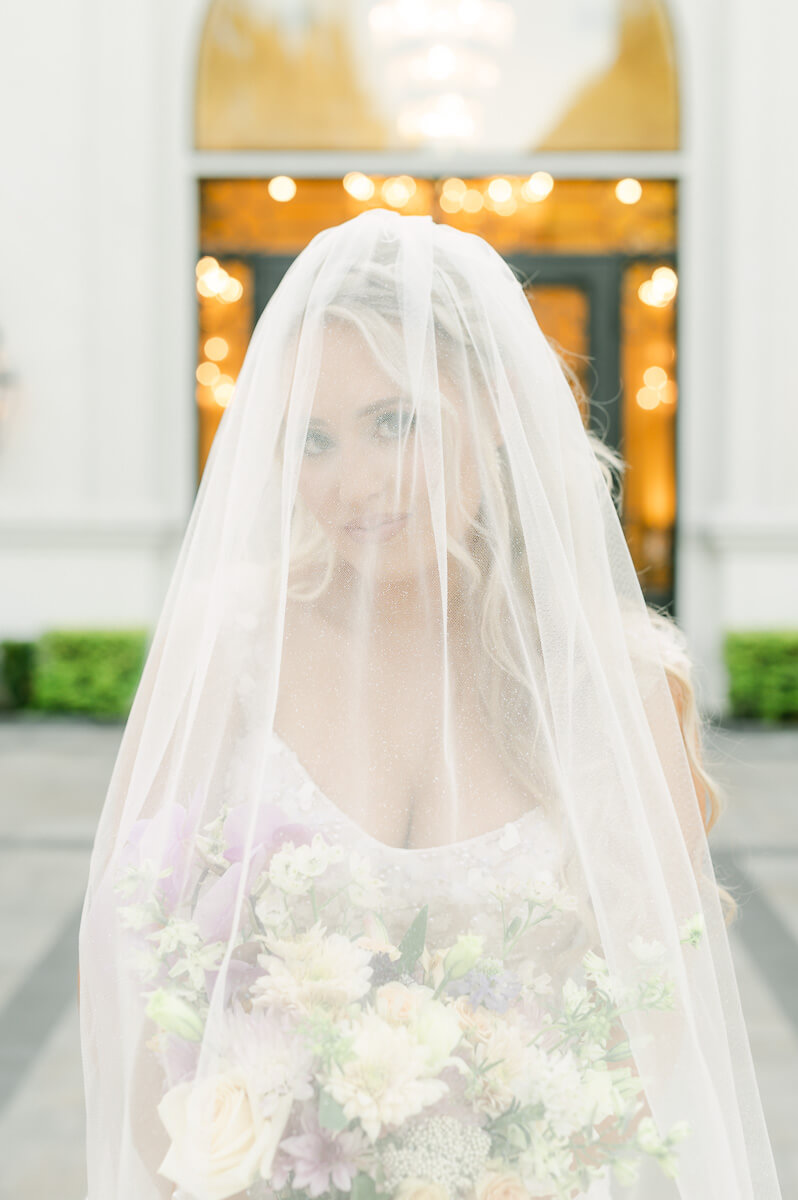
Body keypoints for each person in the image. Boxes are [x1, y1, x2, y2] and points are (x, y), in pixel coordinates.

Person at [78, 209, 782, 1200]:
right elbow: (142, 982)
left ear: (493, 407)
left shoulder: (616, 684)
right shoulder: (229, 648)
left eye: (395, 422)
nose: (352, 483)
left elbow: (657, 1032)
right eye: (311, 438)